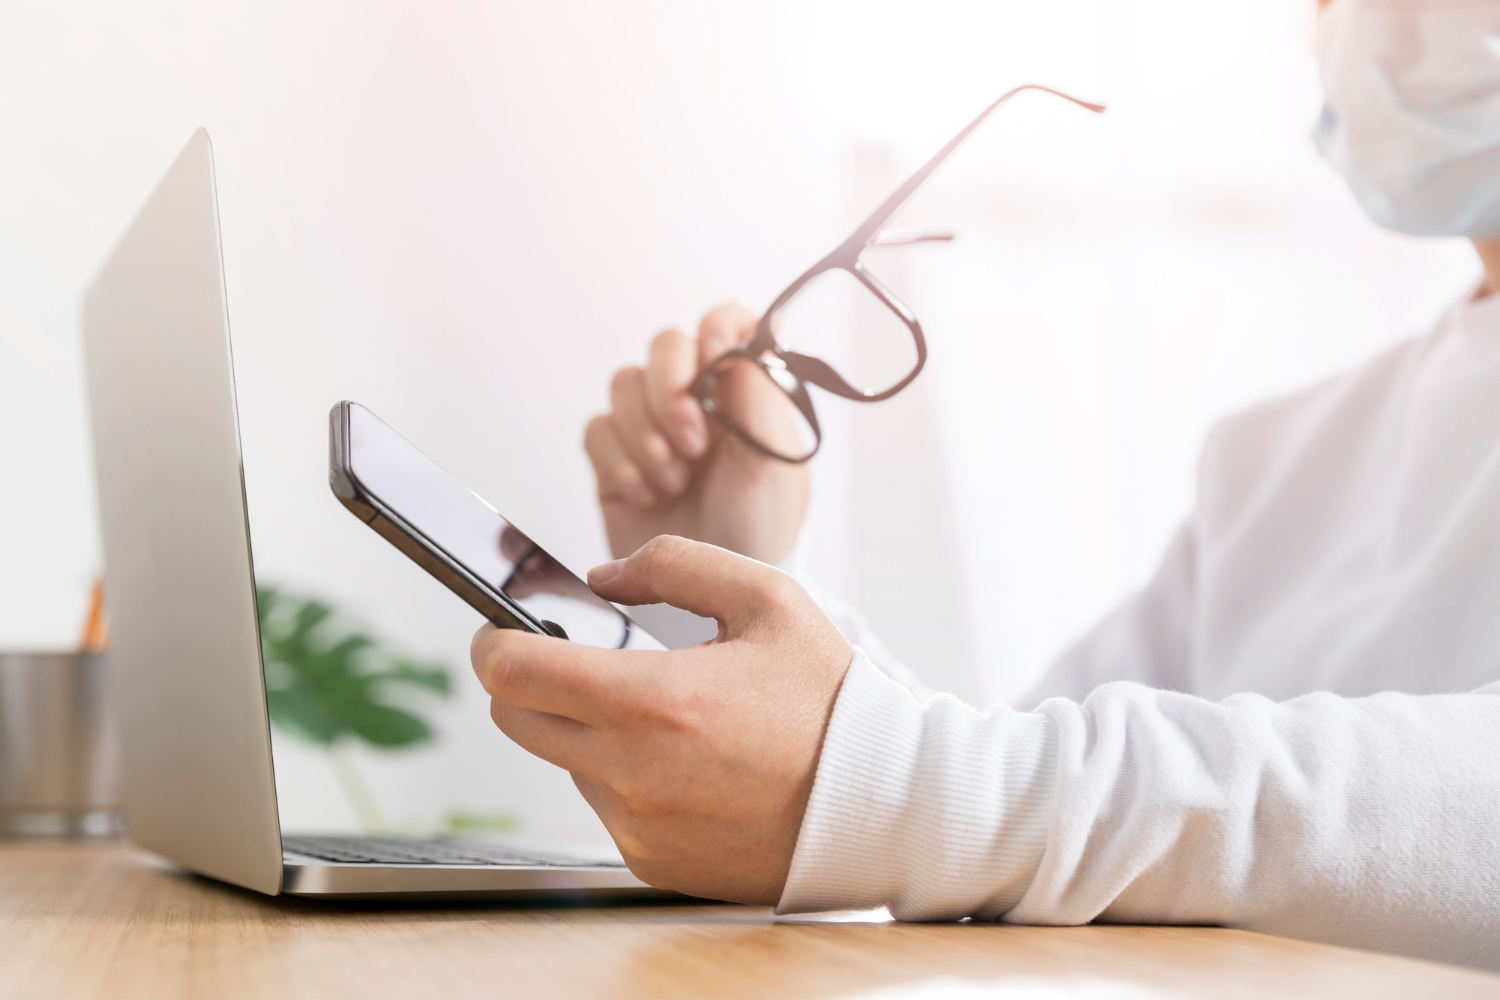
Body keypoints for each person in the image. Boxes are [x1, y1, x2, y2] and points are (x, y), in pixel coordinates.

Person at [470, 0, 1500, 970]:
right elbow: (1013, 788)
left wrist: (912, 789)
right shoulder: (1275, 460)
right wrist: (731, 579)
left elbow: (991, 796)